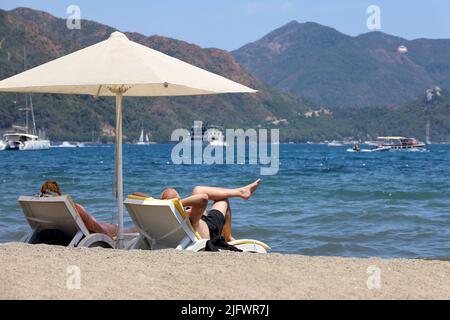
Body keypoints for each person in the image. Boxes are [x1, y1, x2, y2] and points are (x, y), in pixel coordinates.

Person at [133, 179, 261, 242]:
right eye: (176, 199)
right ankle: (227, 236)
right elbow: (203, 198)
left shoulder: (164, 218)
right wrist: (174, 204)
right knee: (222, 200)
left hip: (197, 220)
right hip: (210, 228)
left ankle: (241, 191)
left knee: (198, 189)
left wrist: (162, 204)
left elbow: (135, 194)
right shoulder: (188, 219)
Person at [39, 180, 118, 238]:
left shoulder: (41, 206)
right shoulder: (70, 206)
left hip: (62, 233)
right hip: (90, 230)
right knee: (115, 228)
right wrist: (105, 234)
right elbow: (93, 226)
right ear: (58, 192)